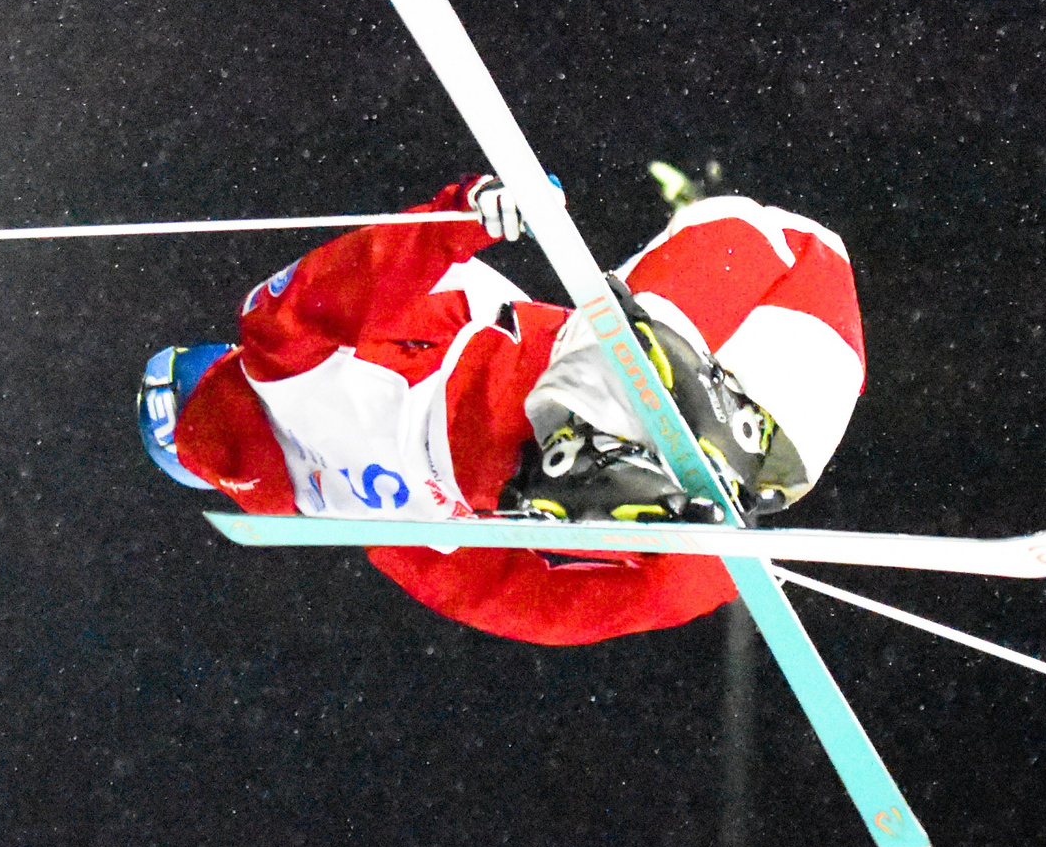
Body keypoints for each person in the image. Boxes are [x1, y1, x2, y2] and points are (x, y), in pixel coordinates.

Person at [137, 167, 868, 646]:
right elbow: (359, 271)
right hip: (567, 384)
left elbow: (536, 605)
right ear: (214, 367)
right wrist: (473, 213)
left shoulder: (379, 536)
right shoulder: (272, 357)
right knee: (793, 244)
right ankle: (640, 415)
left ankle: (699, 441)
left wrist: (696, 575)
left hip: (558, 475)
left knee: (791, 272)